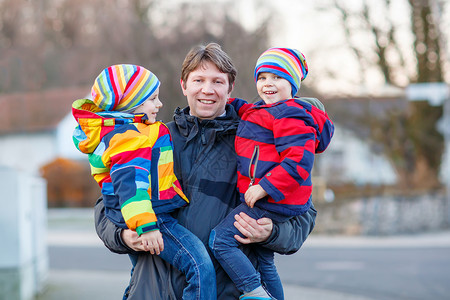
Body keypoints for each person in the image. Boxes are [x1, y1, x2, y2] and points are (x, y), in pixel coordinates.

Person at [94, 43, 318, 299]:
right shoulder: (151, 138)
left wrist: (272, 232)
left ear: (230, 87)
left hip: (229, 293)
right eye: (198, 80)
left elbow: (304, 213)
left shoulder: (259, 140)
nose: (207, 90)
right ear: (183, 85)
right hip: (153, 290)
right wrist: (123, 235)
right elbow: (107, 204)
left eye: (217, 81)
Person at [72, 64, 216, 299]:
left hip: (137, 215)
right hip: (150, 218)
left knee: (140, 269)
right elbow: (131, 186)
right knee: (199, 266)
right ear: (130, 103)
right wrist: (146, 226)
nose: (159, 104)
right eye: (153, 99)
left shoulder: (129, 132)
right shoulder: (128, 138)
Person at [209, 47, 335, 300]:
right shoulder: (264, 110)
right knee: (264, 260)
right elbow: (248, 112)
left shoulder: (291, 114)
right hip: (274, 197)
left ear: (292, 84)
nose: (268, 84)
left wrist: (263, 187)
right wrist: (222, 98)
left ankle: (254, 292)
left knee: (220, 240)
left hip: (273, 198)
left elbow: (298, 163)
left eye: (277, 78)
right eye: (262, 77)